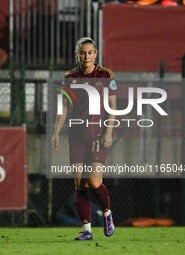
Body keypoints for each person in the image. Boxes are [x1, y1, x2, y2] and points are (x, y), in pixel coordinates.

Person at [51, 37, 116, 241]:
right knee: (80, 184)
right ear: (76, 54)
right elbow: (63, 108)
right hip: (77, 136)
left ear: (95, 54)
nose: (86, 56)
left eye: (89, 52)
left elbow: (112, 107)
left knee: (94, 182)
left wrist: (109, 132)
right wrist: (56, 133)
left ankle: (107, 213)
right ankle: (87, 230)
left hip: (97, 134)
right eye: (82, 52)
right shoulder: (70, 76)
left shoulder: (105, 75)